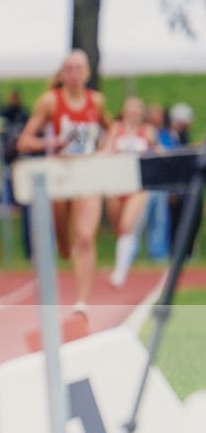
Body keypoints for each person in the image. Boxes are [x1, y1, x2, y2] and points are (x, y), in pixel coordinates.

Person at [17, 49, 110, 320]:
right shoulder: (51, 101)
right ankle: (66, 249)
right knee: (65, 245)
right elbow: (24, 141)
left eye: (79, 69)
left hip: (87, 174)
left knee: (85, 237)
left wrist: (104, 149)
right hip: (60, 175)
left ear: (87, 73)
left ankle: (82, 302)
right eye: (69, 69)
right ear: (62, 73)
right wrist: (51, 143)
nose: (74, 75)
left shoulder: (97, 101)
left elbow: (111, 127)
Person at [104, 96, 159, 288]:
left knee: (127, 225)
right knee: (119, 229)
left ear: (142, 112)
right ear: (124, 111)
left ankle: (120, 273)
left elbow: (158, 153)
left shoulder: (148, 131)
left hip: (137, 186)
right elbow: (106, 151)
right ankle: (124, 260)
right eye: (130, 109)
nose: (133, 113)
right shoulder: (115, 128)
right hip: (116, 184)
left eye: (137, 109)